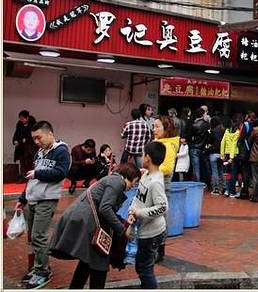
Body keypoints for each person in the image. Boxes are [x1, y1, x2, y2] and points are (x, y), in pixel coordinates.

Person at [49, 163, 141, 289]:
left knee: (87, 262)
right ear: (130, 176)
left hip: (83, 219)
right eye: (135, 181)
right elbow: (105, 208)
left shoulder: (111, 179)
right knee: (99, 263)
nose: (133, 186)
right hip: (87, 222)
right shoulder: (118, 182)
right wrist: (122, 229)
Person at [16, 121, 71, 289]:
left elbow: (61, 173)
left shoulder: (61, 150)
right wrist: (22, 199)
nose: (36, 142)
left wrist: (37, 173)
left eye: (39, 137)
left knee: (39, 236)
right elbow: (31, 179)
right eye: (34, 139)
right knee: (33, 237)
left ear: (50, 133)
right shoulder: (39, 153)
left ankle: (43, 271)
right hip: (33, 198)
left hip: (47, 199)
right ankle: (38, 267)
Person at [128, 141, 168, 289]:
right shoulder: (146, 175)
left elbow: (163, 207)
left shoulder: (155, 182)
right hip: (144, 230)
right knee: (141, 266)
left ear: (148, 158)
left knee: (144, 269)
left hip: (152, 233)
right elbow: (138, 197)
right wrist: (132, 212)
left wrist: (139, 213)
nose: (142, 157)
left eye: (143, 154)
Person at [153, 115, 179, 263]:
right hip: (154, 182)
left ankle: (160, 249)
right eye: (153, 126)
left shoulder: (168, 145)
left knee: (160, 217)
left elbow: (167, 168)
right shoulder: (158, 142)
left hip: (162, 184)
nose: (154, 129)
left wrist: (150, 170)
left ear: (166, 129)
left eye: (157, 127)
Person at [236, 112, 257, 199]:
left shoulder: (246, 124)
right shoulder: (255, 125)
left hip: (244, 151)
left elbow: (241, 137)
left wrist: (237, 144)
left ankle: (244, 192)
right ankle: (252, 191)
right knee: (251, 172)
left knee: (245, 171)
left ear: (247, 117)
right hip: (252, 151)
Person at [221, 114, 242, 197]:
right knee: (233, 174)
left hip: (226, 153)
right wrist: (232, 157)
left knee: (227, 173)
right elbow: (234, 144)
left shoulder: (227, 131)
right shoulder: (237, 132)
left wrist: (222, 154)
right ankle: (232, 192)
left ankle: (227, 190)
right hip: (234, 155)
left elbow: (222, 142)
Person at [13, 110, 37, 182]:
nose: (21, 120)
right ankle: (23, 177)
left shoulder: (34, 125)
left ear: (27, 118)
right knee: (22, 162)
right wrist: (15, 140)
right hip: (21, 147)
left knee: (29, 162)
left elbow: (35, 136)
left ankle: (31, 177)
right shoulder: (19, 125)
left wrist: (27, 139)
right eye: (20, 119)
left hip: (30, 148)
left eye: (23, 119)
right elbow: (16, 134)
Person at [190, 108, 211, 183]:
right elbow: (208, 136)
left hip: (194, 147)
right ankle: (207, 182)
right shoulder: (207, 124)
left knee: (196, 167)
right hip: (203, 148)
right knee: (205, 167)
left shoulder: (194, 124)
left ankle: (197, 183)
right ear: (203, 114)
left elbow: (190, 136)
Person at [209, 116, 226, 194]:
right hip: (221, 153)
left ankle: (216, 188)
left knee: (214, 171)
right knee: (221, 170)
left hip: (213, 153)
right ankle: (223, 187)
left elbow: (210, 141)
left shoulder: (213, 131)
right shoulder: (224, 130)